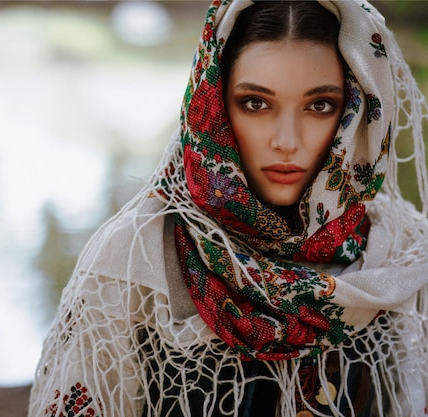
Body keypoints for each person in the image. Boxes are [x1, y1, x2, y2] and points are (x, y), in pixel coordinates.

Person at [28, 1, 428, 416]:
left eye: (319, 105)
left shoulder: (398, 251)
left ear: (357, 111)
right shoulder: (137, 256)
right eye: (256, 103)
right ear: (214, 106)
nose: (287, 141)